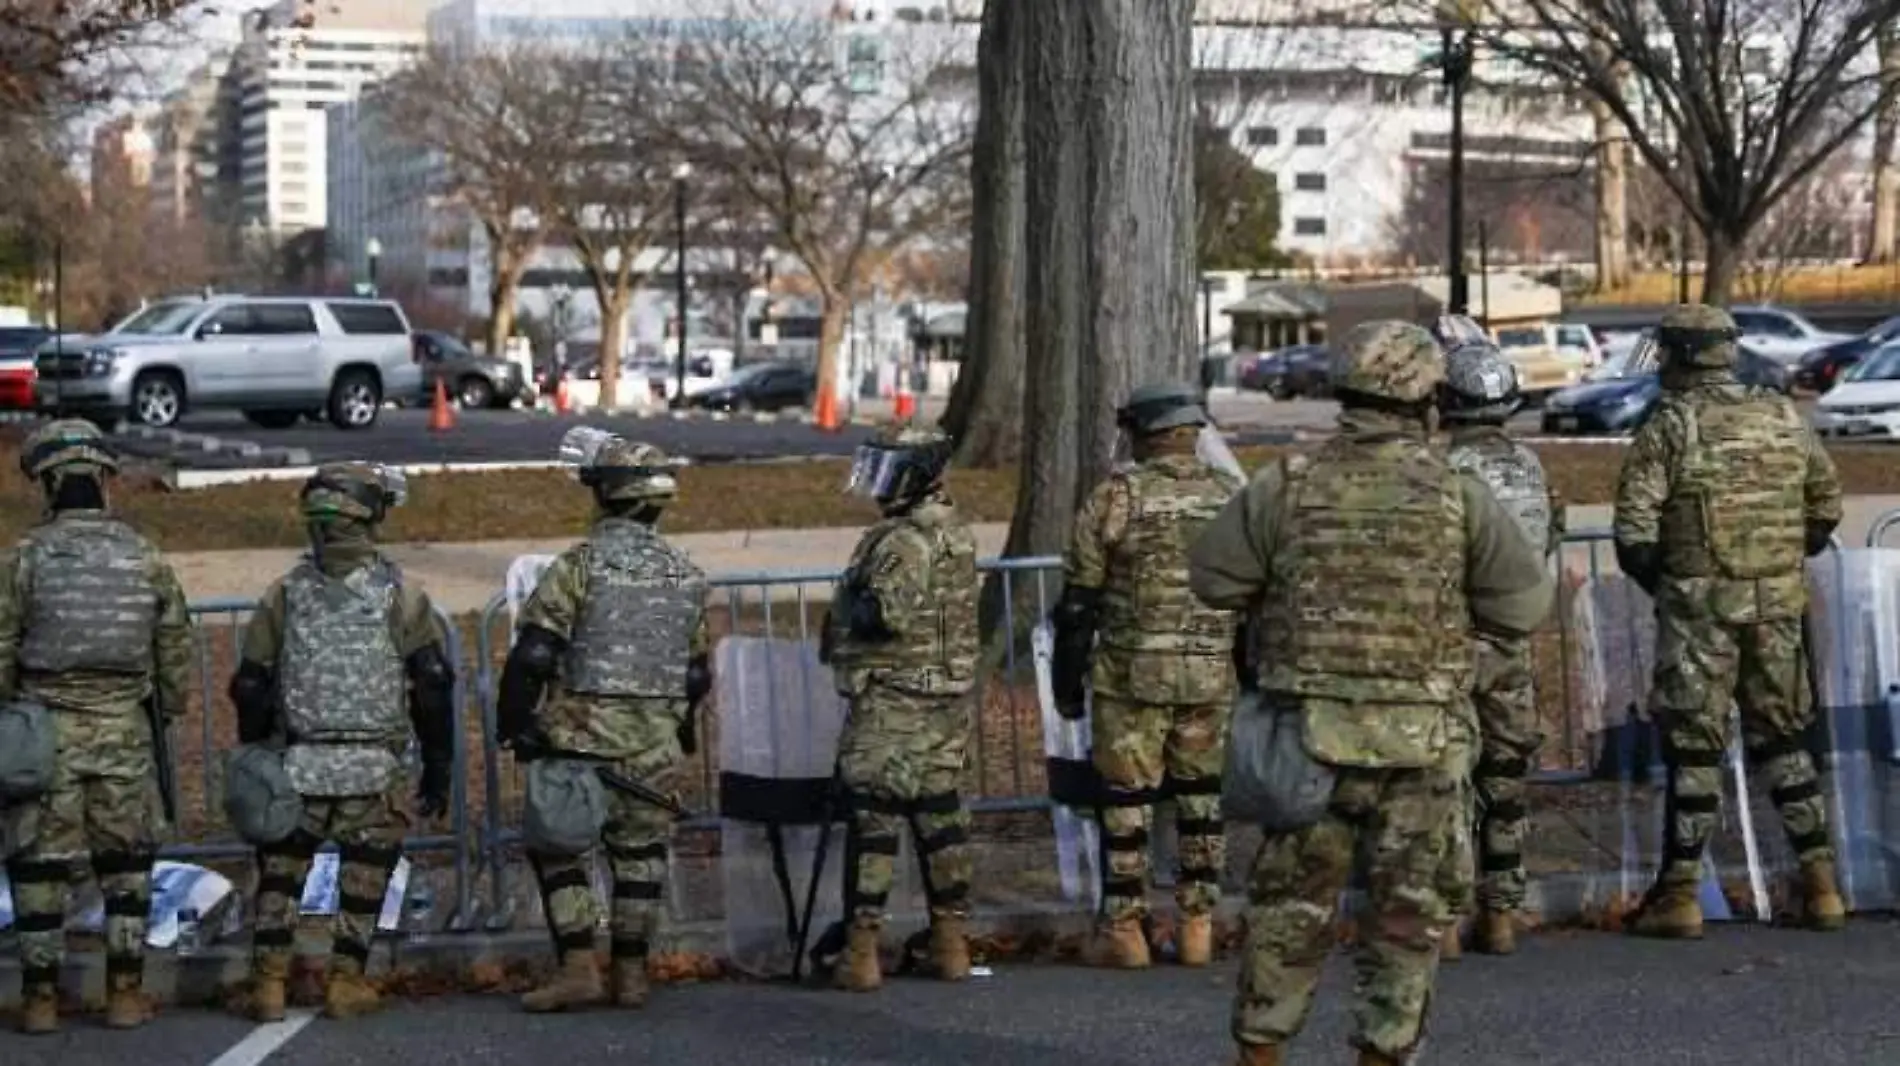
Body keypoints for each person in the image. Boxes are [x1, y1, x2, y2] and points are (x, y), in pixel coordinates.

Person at [1188, 321, 1554, 1066]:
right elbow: (1522, 607)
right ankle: (1383, 1054)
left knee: (1289, 914)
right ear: (1428, 401)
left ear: (1341, 395)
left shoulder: (1285, 487)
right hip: (1422, 749)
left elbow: (1213, 578)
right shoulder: (1459, 493)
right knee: (1408, 919)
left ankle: (1261, 1053)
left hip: (1307, 742)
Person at [1614, 303, 1845, 939]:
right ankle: (1821, 886)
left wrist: (1671, 585)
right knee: (1783, 740)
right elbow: (1825, 506)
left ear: (1680, 355)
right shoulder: (1781, 414)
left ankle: (1680, 897)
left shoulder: (1670, 423)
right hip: (1775, 606)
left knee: (1695, 747)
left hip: (1700, 611)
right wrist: (1778, 563)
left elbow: (1633, 531)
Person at [228, 463, 456, 1022]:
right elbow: (430, 683)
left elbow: (251, 682)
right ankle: (346, 981)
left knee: (281, 873)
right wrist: (438, 763)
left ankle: (269, 985)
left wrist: (259, 747)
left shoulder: (284, 594)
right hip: (373, 768)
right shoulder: (401, 594)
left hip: (298, 763)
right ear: (371, 517)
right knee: (364, 875)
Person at [496, 432, 710, 1012]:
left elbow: (535, 654)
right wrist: (680, 727)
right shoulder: (687, 574)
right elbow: (695, 673)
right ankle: (632, 975)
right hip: (656, 746)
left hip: (581, 743)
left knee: (558, 849)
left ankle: (577, 969)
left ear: (606, 496)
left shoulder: (580, 567)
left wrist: (514, 722)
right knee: (640, 859)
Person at [0, 420, 193, 1034]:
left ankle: (39, 1002)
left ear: (49, 485)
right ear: (105, 482)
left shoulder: (23, 560)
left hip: (44, 735)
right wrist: (165, 706)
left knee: (38, 866)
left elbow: (0, 647)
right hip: (124, 732)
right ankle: (126, 995)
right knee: (127, 865)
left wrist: (14, 713)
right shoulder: (145, 557)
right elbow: (174, 648)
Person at [1050, 381, 1245, 969]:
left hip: (1132, 673)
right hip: (1210, 673)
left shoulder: (1117, 496)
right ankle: (1197, 924)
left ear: (1141, 434)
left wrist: (1066, 679)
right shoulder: (1232, 496)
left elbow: (1080, 600)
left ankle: (1126, 928)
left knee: (1125, 801)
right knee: (1201, 800)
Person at [820, 423, 980, 992]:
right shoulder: (953, 530)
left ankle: (860, 952)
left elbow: (882, 615)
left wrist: (845, 603)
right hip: (944, 700)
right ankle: (950, 943)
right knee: (940, 821)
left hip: (894, 700)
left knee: (875, 823)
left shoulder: (904, 540)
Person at [1436, 341, 1563, 958]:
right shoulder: (1531, 467)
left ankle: (1449, 914)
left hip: (1455, 642)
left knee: (1449, 776)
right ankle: (1502, 912)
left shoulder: (1441, 470)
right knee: (1506, 775)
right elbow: (1551, 535)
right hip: (1512, 640)